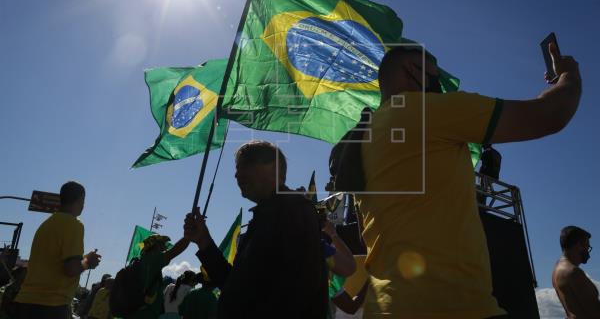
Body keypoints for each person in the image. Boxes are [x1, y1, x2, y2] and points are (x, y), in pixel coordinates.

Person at [342, 42, 581, 318]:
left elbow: (365, 233)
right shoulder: (424, 109)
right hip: (457, 307)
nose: (439, 87)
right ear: (411, 70)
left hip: (384, 308)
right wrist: (569, 74)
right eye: (435, 77)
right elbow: (549, 114)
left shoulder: (363, 139)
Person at [184, 140, 329, 319]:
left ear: (273, 167)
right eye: (237, 168)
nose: (237, 175)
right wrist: (204, 241)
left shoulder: (294, 210)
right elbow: (234, 287)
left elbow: (299, 290)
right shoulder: (265, 217)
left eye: (245, 165)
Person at [14, 181, 101, 319]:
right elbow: (71, 269)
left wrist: (83, 258)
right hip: (51, 306)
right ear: (80, 199)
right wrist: (88, 262)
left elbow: (53, 263)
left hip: (24, 302)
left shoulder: (46, 225)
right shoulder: (74, 224)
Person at [123, 234, 190, 319]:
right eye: (162, 244)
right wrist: (188, 237)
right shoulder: (152, 259)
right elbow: (173, 252)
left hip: (134, 313)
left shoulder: (140, 261)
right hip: (144, 314)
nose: (164, 247)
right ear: (154, 246)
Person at [552, 226, 600, 318]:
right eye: (587, 247)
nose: (588, 252)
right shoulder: (573, 272)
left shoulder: (557, 269)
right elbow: (596, 312)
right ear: (579, 245)